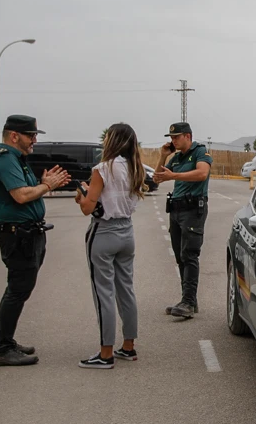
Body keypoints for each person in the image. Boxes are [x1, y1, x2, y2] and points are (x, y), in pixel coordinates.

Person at [0, 115, 70, 367]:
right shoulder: (5, 159)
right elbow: (21, 195)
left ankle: (5, 341)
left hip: (26, 233)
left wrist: (44, 184)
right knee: (17, 290)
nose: (34, 139)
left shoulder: (15, 159)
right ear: (14, 136)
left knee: (19, 289)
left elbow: (28, 192)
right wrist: (47, 185)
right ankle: (1, 347)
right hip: (16, 235)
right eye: (30, 135)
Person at [75, 123, 145, 369]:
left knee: (103, 292)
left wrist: (82, 195)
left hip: (104, 233)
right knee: (126, 289)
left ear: (111, 142)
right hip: (127, 232)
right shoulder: (135, 169)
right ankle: (128, 346)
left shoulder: (102, 169)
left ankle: (105, 353)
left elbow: (87, 207)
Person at [153, 122, 213, 319]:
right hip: (177, 210)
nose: (173, 141)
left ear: (188, 136)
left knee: (190, 255)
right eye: (171, 138)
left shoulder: (199, 152)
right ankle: (187, 300)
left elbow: (202, 173)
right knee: (180, 255)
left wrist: (175, 175)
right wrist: (163, 155)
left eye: (176, 137)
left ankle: (188, 302)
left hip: (193, 209)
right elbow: (157, 178)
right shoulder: (176, 157)